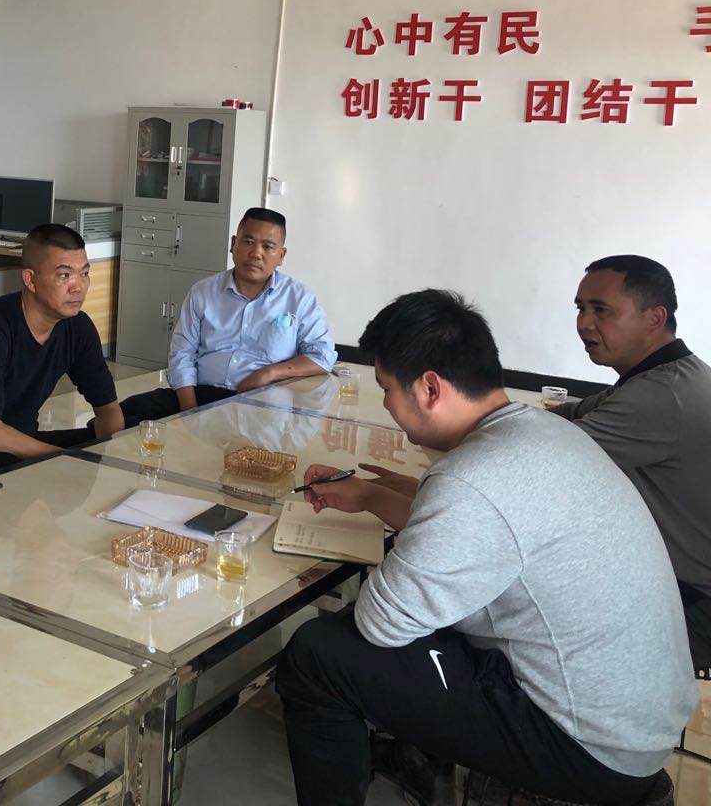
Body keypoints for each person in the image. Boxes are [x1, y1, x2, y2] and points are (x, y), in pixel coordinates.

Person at [275, 289, 693, 806]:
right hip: (636, 718)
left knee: (318, 651)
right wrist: (369, 496)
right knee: (427, 614)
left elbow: (382, 623)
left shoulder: (473, 477)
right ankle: (414, 762)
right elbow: (488, 531)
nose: (386, 406)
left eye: (386, 389)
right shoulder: (538, 429)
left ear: (430, 388)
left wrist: (407, 532)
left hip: (588, 745)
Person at [554, 254, 711, 668]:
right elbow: (562, 419)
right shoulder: (661, 376)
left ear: (654, 318)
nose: (584, 323)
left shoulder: (663, 395)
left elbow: (541, 454)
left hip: (692, 608)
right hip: (667, 585)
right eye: (581, 308)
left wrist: (459, 417)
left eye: (601, 310)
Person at [0, 223, 123, 478]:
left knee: (131, 418)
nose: (78, 287)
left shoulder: (78, 327)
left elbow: (109, 411)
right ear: (30, 279)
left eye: (84, 274)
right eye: (64, 275)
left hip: (21, 441)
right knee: (61, 461)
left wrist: (110, 462)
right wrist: (64, 460)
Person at [120, 208, 336, 426]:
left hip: (262, 402)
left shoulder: (298, 298)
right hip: (201, 394)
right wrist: (190, 413)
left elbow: (323, 355)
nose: (256, 253)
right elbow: (182, 354)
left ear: (281, 256)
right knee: (122, 414)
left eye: (268, 247)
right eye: (248, 242)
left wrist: (268, 373)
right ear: (233, 244)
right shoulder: (202, 292)